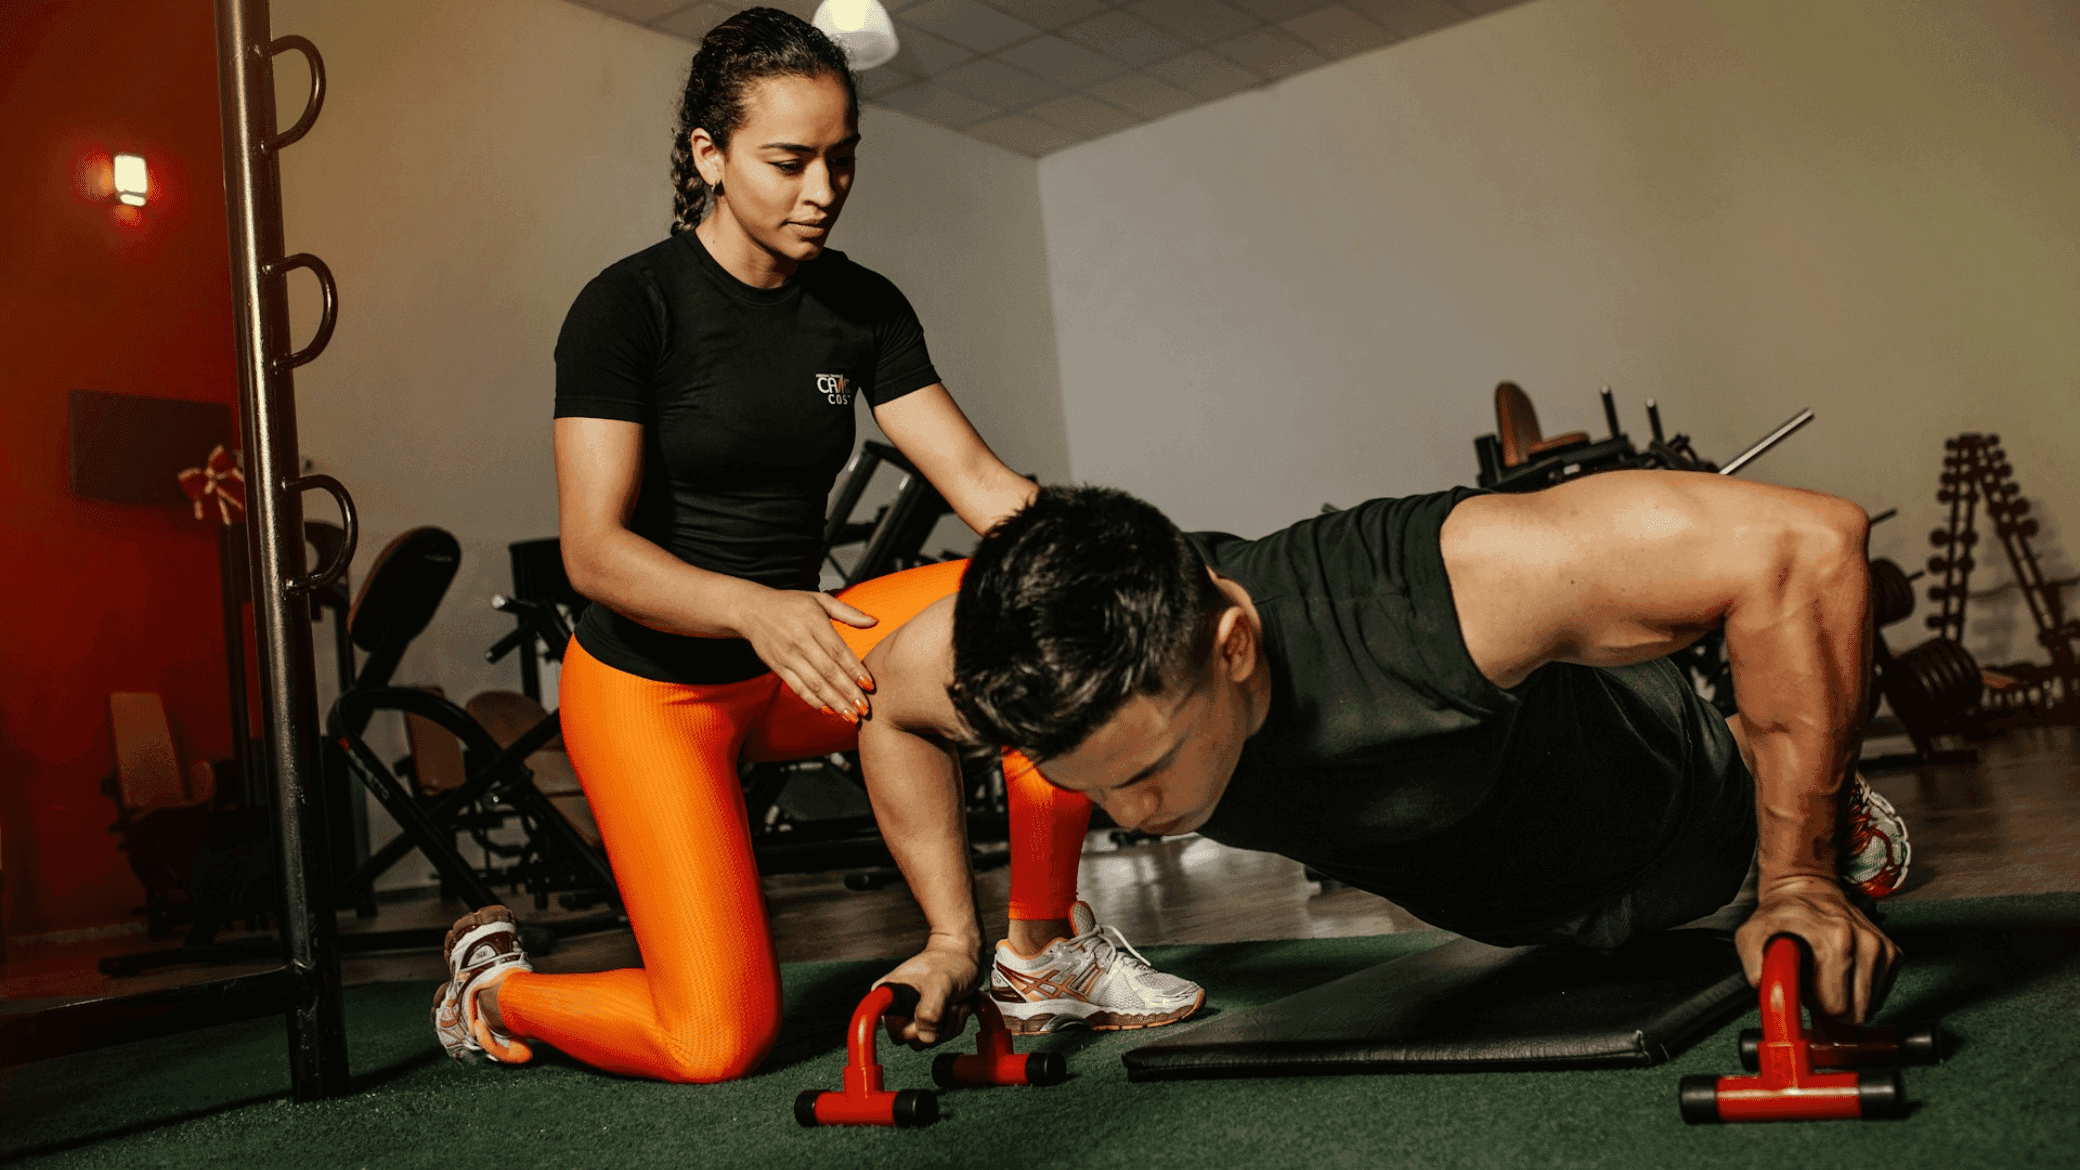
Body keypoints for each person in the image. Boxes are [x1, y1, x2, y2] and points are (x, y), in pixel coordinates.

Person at [429, 8, 1197, 1083]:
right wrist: (752, 605)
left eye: (842, 160)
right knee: (713, 1040)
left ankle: (1041, 951)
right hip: (657, 690)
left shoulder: (859, 307)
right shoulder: (627, 309)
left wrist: (1133, 562)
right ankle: (493, 987)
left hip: (810, 657)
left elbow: (979, 485)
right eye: (789, 161)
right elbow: (592, 554)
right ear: (709, 154)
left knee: (1039, 604)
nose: (822, 190)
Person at [850, 472, 1912, 1046]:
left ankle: (1834, 820)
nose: (1133, 814)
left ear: (1233, 646)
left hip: (1683, 817)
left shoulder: (1433, 592)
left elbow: (1806, 546)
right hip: (1511, 911)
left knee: (1737, 827)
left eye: (1152, 768)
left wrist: (1799, 880)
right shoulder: (1014, 659)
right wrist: (951, 937)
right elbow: (883, 709)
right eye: (1096, 787)